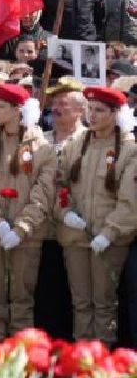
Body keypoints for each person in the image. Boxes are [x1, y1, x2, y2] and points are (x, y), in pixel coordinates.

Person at [0, 82, 56, 337]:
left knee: (22, 300)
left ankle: (22, 355)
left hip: (27, 236)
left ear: (18, 110)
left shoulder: (43, 150)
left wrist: (21, 228)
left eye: (0, 106)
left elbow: (44, 192)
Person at [56, 86, 137, 345]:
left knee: (104, 304)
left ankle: (102, 360)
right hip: (76, 235)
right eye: (90, 109)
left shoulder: (129, 149)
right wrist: (64, 212)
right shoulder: (77, 143)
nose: (93, 115)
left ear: (116, 114)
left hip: (109, 239)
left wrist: (109, 232)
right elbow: (59, 183)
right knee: (80, 303)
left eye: (100, 110)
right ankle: (81, 359)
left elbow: (130, 202)